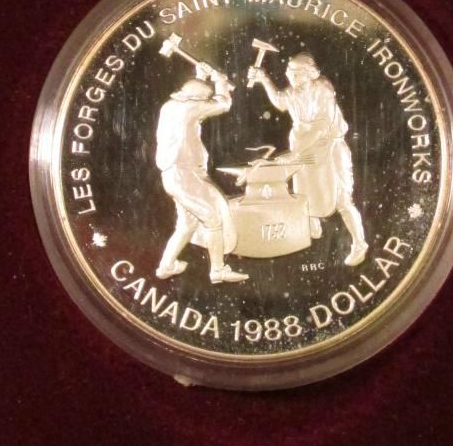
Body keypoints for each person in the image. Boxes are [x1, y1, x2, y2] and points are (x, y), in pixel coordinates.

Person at [247, 52, 367, 266]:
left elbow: (321, 127)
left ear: (310, 73)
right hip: (303, 145)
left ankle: (359, 243)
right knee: (304, 194)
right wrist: (264, 79)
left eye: (297, 73)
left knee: (342, 199)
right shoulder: (293, 91)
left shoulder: (322, 89)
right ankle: (312, 228)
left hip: (329, 148)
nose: (291, 76)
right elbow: (280, 102)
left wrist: (296, 154)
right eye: (290, 72)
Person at [155, 63, 248, 285]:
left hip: (177, 175)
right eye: (203, 99)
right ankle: (218, 270)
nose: (204, 104)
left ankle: (166, 266)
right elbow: (223, 104)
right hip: (185, 175)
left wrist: (202, 77)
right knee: (212, 218)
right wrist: (220, 82)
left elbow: (197, 99)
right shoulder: (187, 108)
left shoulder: (171, 106)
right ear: (195, 98)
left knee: (187, 224)